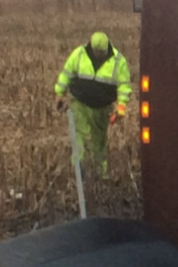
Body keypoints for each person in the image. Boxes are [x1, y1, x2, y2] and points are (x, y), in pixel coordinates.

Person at [54, 32, 131, 176]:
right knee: (80, 136)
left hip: (103, 107)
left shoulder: (118, 61)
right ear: (91, 47)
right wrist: (59, 93)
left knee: (99, 140)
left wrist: (121, 106)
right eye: (96, 51)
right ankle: (78, 172)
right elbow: (66, 74)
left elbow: (124, 86)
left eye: (102, 52)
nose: (99, 54)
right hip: (80, 104)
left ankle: (100, 173)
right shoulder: (79, 55)